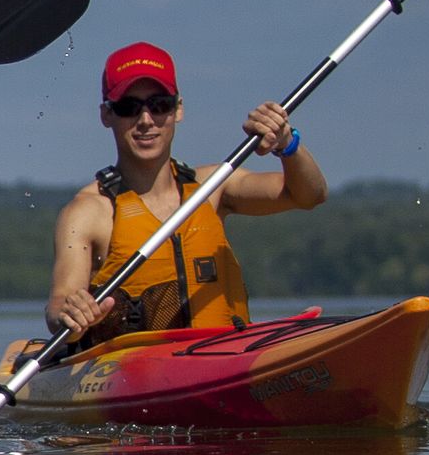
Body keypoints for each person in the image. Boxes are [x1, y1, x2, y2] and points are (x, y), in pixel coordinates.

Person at [42, 41, 324, 344]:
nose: (146, 120)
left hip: (224, 354)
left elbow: (308, 195)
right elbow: (59, 302)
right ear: (106, 115)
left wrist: (287, 143)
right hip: (134, 369)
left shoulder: (214, 186)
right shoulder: (87, 212)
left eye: (159, 104)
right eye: (128, 108)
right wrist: (69, 313)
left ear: (178, 110)